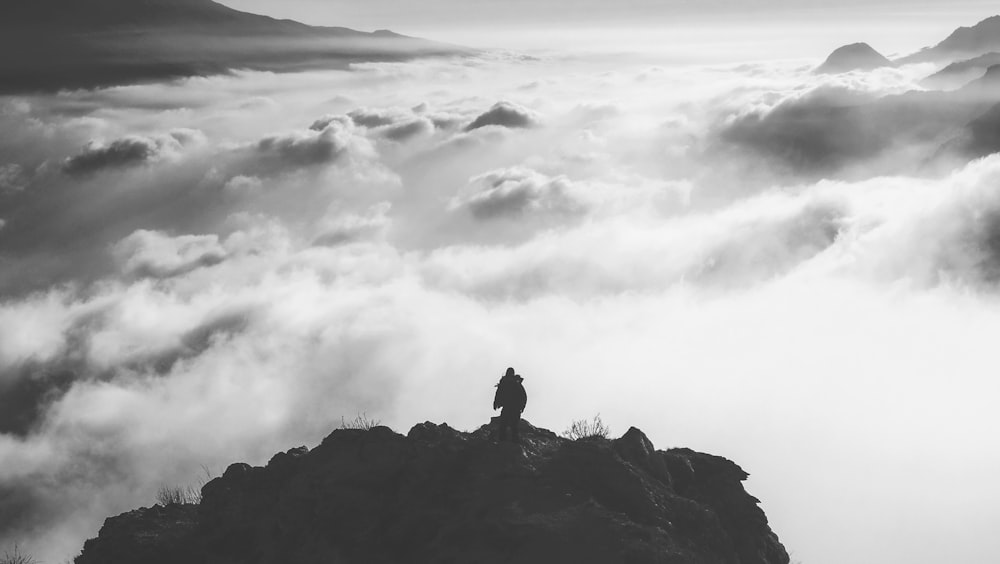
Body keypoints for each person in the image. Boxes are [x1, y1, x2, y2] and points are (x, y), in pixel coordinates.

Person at [493, 367, 527, 443]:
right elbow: (523, 396)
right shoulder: (515, 383)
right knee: (513, 426)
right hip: (514, 408)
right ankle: (513, 442)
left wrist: (496, 403)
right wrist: (522, 406)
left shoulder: (505, 383)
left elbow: (498, 394)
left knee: (505, 425)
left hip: (509, 407)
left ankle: (503, 442)